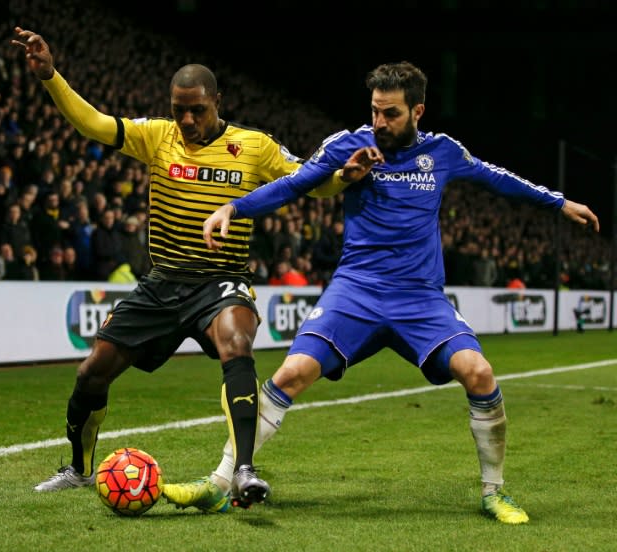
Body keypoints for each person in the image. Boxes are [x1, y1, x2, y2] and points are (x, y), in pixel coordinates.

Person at [178, 61, 600, 524]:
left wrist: (560, 202)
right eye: (376, 111)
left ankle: (494, 493)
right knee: (291, 373)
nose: (380, 122)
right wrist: (233, 208)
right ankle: (222, 481)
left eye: (392, 113)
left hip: (420, 298)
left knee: (479, 373)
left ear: (417, 110)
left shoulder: (442, 152)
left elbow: (498, 179)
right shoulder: (346, 145)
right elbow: (296, 184)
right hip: (356, 291)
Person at [11, 27, 348, 509]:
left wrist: (343, 176)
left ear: (217, 102)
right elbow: (94, 124)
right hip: (162, 283)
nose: (187, 120)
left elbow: (312, 184)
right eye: (179, 110)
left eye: (197, 110)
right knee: (91, 375)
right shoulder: (157, 136)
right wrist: (51, 77)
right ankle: (80, 470)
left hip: (221, 280)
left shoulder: (254, 147)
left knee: (236, 344)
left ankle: (244, 471)